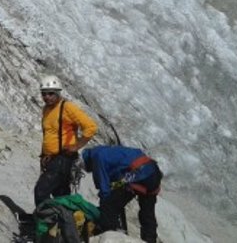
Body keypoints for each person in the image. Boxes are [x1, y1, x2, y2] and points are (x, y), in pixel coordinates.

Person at [33, 75, 97, 209]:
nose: (47, 97)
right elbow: (49, 135)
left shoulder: (67, 107)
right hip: (52, 159)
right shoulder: (46, 109)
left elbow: (90, 126)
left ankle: (46, 223)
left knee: (41, 191)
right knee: (61, 195)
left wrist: (77, 145)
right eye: (44, 94)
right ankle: (66, 224)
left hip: (63, 158)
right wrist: (44, 155)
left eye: (51, 93)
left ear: (58, 93)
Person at [81, 145, 163, 243]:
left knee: (109, 206)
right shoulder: (109, 151)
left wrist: (105, 210)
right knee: (147, 213)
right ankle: (150, 240)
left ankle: (111, 235)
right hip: (152, 172)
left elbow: (104, 189)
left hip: (138, 174)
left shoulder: (97, 157)